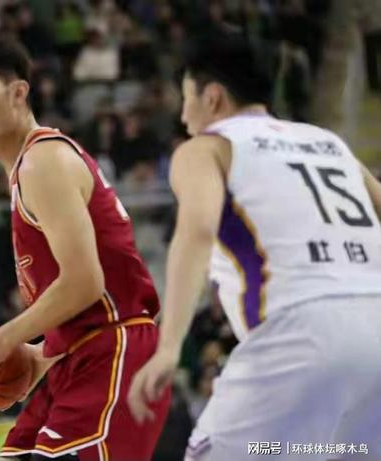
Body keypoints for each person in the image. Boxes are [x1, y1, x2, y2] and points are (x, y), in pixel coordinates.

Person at [127, 33, 381, 461]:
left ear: (212, 97)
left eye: (186, 100)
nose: (183, 116)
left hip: (297, 332)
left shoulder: (206, 148)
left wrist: (168, 347)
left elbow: (197, 230)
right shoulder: (329, 143)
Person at [0, 35, 170, 461]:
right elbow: (82, 305)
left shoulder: (43, 161)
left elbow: (85, 283)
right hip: (80, 355)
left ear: (18, 92)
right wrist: (37, 354)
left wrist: (4, 339)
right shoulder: (28, 169)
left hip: (114, 352)